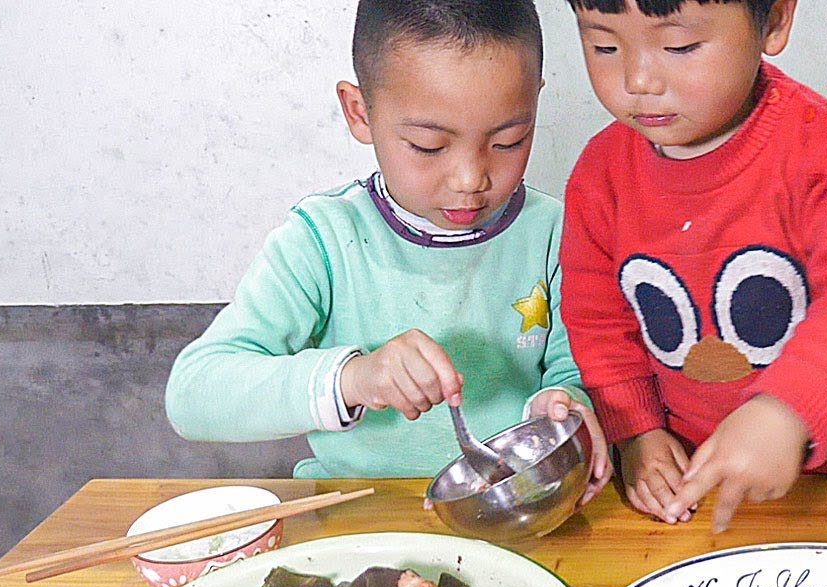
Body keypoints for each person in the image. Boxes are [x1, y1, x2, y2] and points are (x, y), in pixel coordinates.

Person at [166, 0, 610, 498]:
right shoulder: (323, 240)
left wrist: (563, 405)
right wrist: (354, 379)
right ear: (360, 112)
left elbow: (576, 369)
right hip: (355, 514)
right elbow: (193, 393)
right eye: (428, 146)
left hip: (515, 507)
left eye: (508, 140)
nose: (471, 179)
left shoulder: (554, 233)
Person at [558, 0, 827, 532]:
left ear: (773, 21)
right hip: (693, 482)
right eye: (605, 46)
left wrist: (787, 411)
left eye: (679, 46)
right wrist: (635, 431)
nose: (638, 79)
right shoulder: (600, 175)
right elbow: (598, 322)